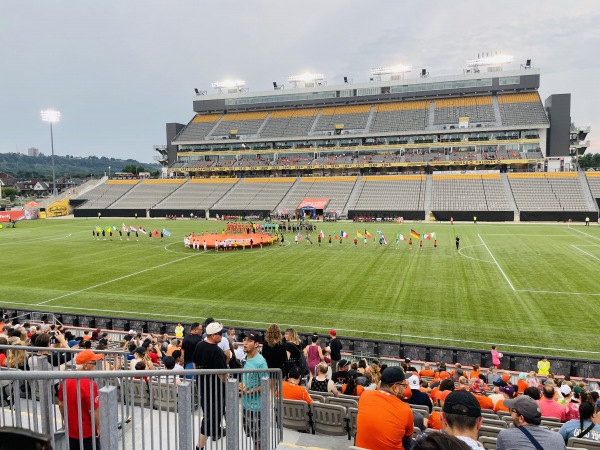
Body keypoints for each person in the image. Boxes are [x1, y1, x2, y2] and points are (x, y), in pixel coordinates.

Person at [355, 366, 414, 450]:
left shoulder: (365, 395)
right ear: (395, 387)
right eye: (404, 386)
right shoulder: (406, 409)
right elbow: (408, 439)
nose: (405, 389)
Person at [58, 350, 103, 450]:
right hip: (87, 431)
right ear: (86, 366)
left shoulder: (65, 380)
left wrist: (66, 420)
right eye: (94, 363)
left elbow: (61, 404)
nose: (95, 366)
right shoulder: (90, 384)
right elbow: (93, 410)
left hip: (71, 429)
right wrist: (99, 426)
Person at [193, 321, 227, 449]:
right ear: (213, 335)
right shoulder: (217, 351)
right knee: (211, 417)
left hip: (203, 387)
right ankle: (199, 446)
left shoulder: (199, 345)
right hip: (215, 390)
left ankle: (203, 443)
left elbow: (195, 365)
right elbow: (222, 375)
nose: (222, 336)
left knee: (209, 416)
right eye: (220, 334)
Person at [496, 395, 566, 450]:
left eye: (512, 410)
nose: (510, 412)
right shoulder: (558, 437)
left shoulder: (505, 435)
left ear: (521, 418)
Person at [240, 331, 268, 450]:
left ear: (256, 344)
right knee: (252, 436)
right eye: (244, 340)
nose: (245, 343)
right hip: (246, 405)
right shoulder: (245, 358)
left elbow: (265, 385)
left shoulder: (261, 363)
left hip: (256, 408)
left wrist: (249, 392)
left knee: (258, 440)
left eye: (249, 341)